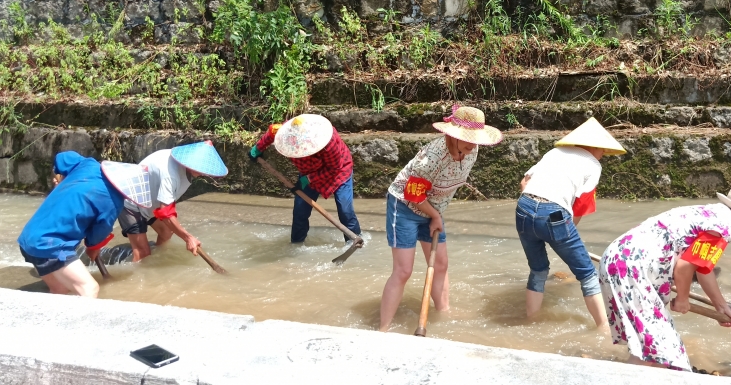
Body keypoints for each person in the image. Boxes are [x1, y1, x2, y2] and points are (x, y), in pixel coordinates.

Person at [598, 178, 731, 370]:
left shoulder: (710, 213)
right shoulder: (722, 228)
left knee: (654, 347)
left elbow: (702, 269)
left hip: (618, 260)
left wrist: (721, 306)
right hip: (631, 270)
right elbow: (684, 266)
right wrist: (683, 299)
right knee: (664, 353)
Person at [379, 105, 502, 331]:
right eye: (467, 138)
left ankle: (443, 313)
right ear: (451, 134)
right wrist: (435, 215)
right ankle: (383, 329)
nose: (472, 144)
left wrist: (435, 214)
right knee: (403, 270)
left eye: (476, 139)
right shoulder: (432, 158)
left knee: (440, 264)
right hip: (405, 206)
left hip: (432, 208)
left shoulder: (472, 151)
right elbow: (412, 194)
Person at [515, 117, 625, 328]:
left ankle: (530, 321)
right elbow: (581, 206)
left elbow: (524, 183)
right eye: (603, 151)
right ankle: (603, 328)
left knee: (538, 270)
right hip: (554, 213)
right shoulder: (593, 165)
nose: (603, 156)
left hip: (524, 208)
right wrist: (562, 232)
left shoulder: (554, 153)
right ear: (594, 147)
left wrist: (535, 216)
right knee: (587, 273)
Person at [18, 151, 153, 298]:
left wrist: (60, 178)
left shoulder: (88, 165)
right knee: (89, 288)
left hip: (27, 240)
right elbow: (96, 238)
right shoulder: (114, 203)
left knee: (60, 290)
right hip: (50, 245)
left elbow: (63, 157)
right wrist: (93, 247)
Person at [249, 114, 361, 243]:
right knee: (300, 213)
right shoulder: (285, 132)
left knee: (345, 211)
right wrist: (258, 148)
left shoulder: (327, 142)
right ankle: (296, 245)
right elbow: (271, 133)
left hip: (339, 171)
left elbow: (334, 168)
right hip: (308, 171)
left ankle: (355, 242)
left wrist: (309, 179)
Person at [118, 141, 228, 261]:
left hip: (150, 202)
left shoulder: (184, 168)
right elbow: (166, 213)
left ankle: (157, 261)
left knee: (167, 231)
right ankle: (136, 274)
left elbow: (167, 207)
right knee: (143, 253)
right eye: (201, 168)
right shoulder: (170, 174)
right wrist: (188, 238)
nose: (203, 172)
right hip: (131, 202)